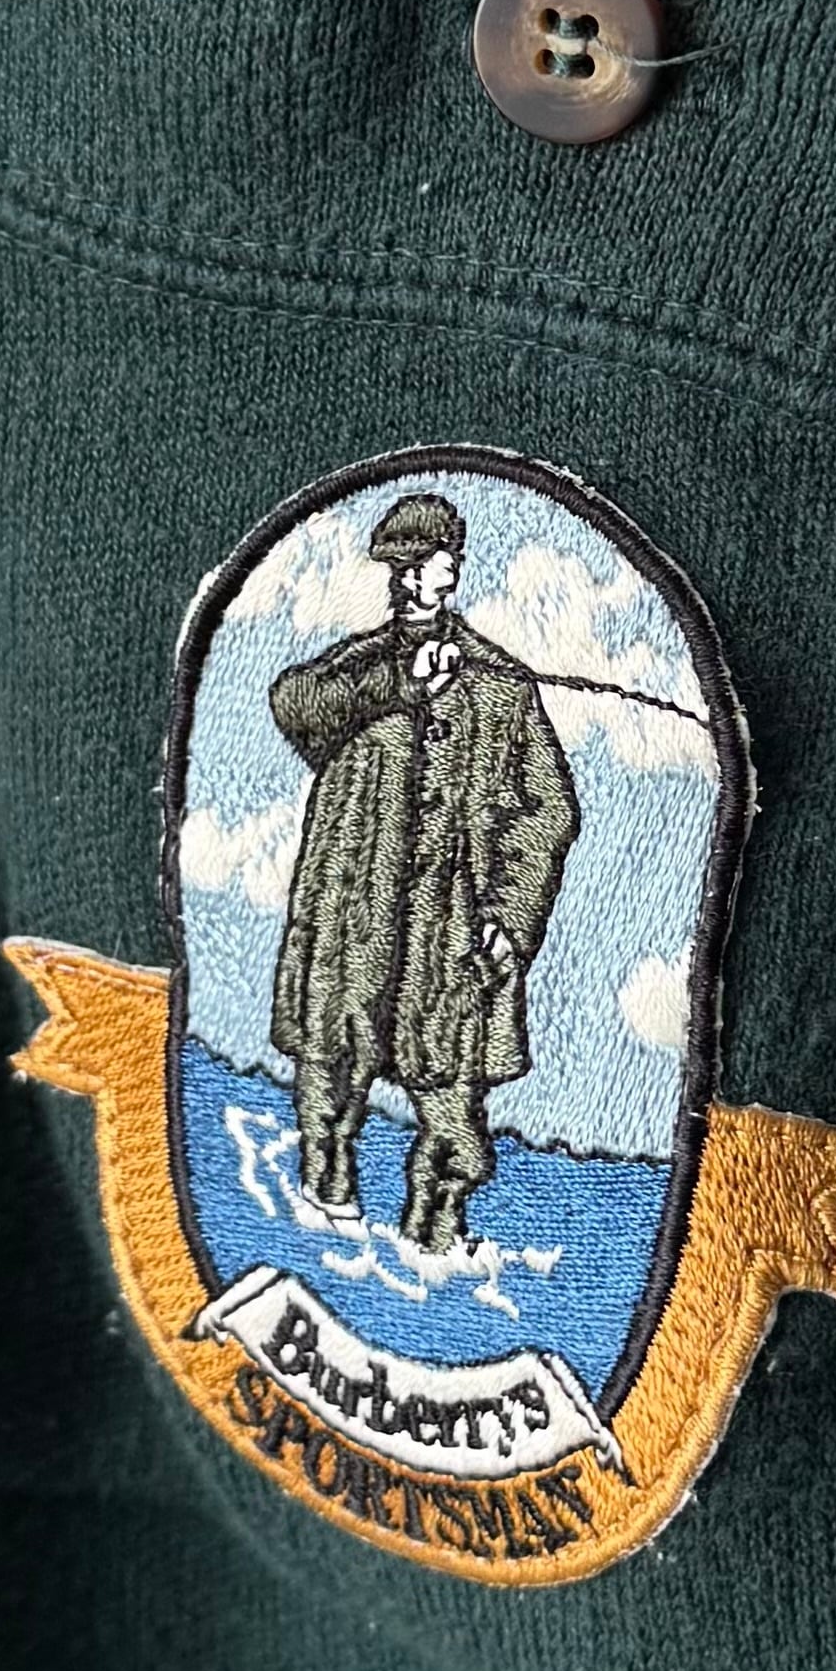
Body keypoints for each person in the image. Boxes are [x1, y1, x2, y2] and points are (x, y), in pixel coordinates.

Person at [263, 492, 581, 1254]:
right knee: (331, 1068)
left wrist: (510, 918)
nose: (412, 580)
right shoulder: (358, 671)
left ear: (452, 569)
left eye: (426, 564)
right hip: (353, 918)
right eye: (399, 567)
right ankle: (323, 1203)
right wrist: (399, 682)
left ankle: (432, 1245)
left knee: (452, 1103)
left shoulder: (503, 687)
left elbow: (548, 810)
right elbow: (293, 704)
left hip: (453, 934)